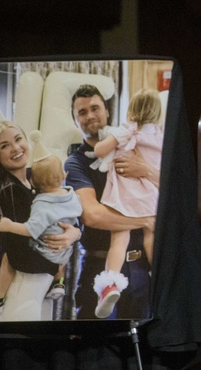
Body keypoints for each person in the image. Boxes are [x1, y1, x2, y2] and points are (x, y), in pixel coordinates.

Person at [0, 122, 82, 319]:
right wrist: (55, 263)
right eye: (4, 146)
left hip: (41, 282)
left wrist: (74, 233)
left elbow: (64, 209)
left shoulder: (37, 177)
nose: (15, 148)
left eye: (18, 139)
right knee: (20, 336)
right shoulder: (8, 188)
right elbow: (20, 244)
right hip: (24, 280)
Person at [65, 84, 157, 320]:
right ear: (75, 121)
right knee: (96, 340)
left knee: (144, 340)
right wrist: (146, 220)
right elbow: (92, 215)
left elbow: (172, 191)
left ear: (107, 111)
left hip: (141, 268)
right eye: (82, 112)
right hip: (99, 266)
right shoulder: (76, 164)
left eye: (95, 108)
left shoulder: (136, 146)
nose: (90, 116)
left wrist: (146, 170)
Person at [0, 150, 83, 299]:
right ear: (64, 175)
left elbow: (30, 229)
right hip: (66, 252)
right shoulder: (72, 196)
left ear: (33, 183)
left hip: (46, 253)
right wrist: (76, 232)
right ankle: (59, 283)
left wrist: (9, 226)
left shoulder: (42, 204)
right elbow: (77, 217)